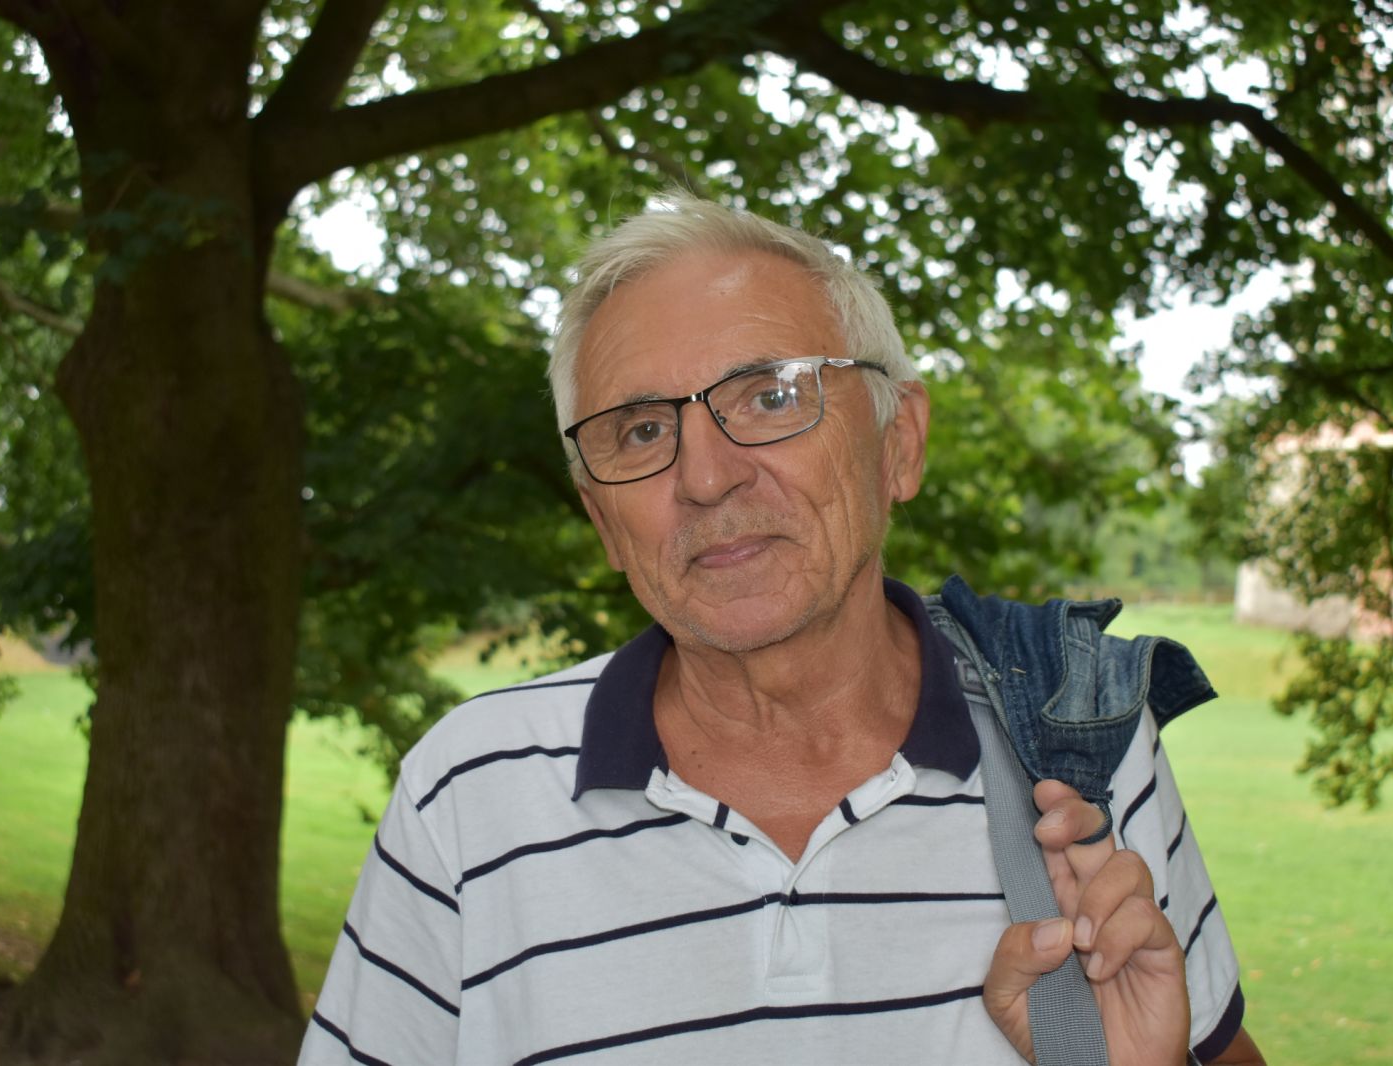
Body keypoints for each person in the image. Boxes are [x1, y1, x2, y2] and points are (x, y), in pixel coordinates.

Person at [299, 193, 1265, 1065]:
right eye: (641, 430)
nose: (706, 476)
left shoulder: (1076, 744)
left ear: (898, 444)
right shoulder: (470, 794)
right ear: (603, 521)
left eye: (770, 395)